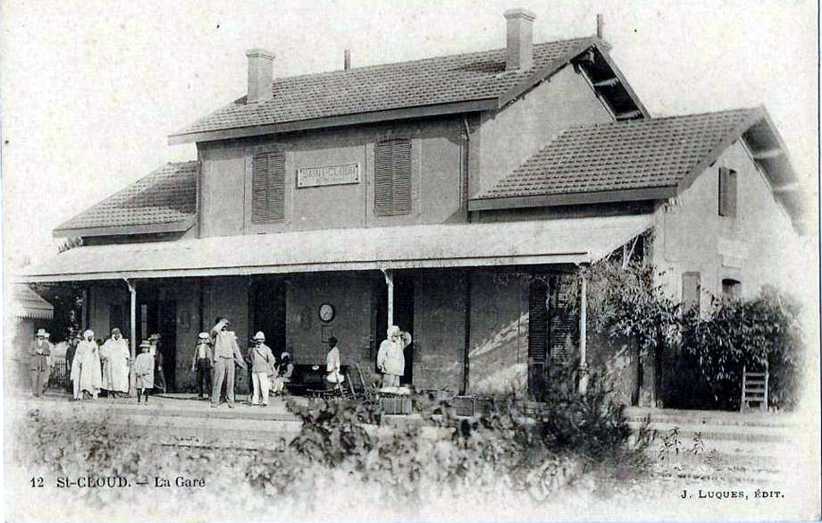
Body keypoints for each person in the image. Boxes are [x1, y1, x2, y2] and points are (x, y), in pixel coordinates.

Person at [210, 318, 246, 408]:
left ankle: (231, 401)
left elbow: (235, 348)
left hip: (230, 359)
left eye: (226, 324)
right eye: (223, 324)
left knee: (230, 381)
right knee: (218, 380)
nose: (225, 326)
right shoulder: (216, 334)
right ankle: (215, 401)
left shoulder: (231, 335)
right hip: (220, 359)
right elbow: (214, 331)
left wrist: (240, 360)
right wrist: (221, 323)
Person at [71, 329, 102, 400]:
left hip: (92, 366)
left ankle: (92, 394)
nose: (91, 338)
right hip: (85, 365)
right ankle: (83, 394)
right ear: (86, 336)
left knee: (93, 380)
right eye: (89, 336)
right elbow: (78, 355)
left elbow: (96, 356)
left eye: (92, 336)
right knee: (84, 380)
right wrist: (80, 362)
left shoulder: (94, 344)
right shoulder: (81, 344)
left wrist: (94, 353)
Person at [248, 331, 276, 406]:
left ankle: (265, 401)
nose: (259, 341)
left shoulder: (266, 349)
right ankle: (255, 401)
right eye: (257, 339)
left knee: (264, 386)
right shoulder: (253, 349)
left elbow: (272, 360)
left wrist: (268, 367)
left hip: (263, 370)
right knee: (255, 387)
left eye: (261, 339)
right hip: (255, 370)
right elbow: (251, 359)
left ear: (263, 340)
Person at [101, 328, 130, 398]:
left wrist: (128, 360)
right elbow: (103, 351)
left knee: (121, 378)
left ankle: (119, 392)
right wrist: (105, 357)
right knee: (111, 377)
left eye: (118, 333)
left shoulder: (123, 342)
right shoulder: (108, 342)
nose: (116, 334)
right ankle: (111, 392)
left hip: (120, 364)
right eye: (115, 333)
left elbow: (126, 352)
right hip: (111, 363)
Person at [29, 328, 53, 397]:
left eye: (42, 336)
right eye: (40, 336)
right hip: (34, 364)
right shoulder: (33, 343)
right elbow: (29, 351)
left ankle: (40, 393)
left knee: (41, 380)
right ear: (38, 336)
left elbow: (48, 352)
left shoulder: (46, 344)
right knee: (34, 379)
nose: (41, 337)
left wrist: (43, 352)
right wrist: (36, 351)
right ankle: (34, 393)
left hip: (43, 364)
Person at [190, 332, 213, 399]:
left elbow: (210, 355)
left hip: (206, 362)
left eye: (204, 339)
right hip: (200, 362)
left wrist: (211, 363)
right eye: (201, 339)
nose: (203, 340)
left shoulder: (208, 346)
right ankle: (200, 394)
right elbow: (195, 356)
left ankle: (210, 394)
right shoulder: (198, 347)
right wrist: (193, 365)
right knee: (199, 379)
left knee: (208, 379)